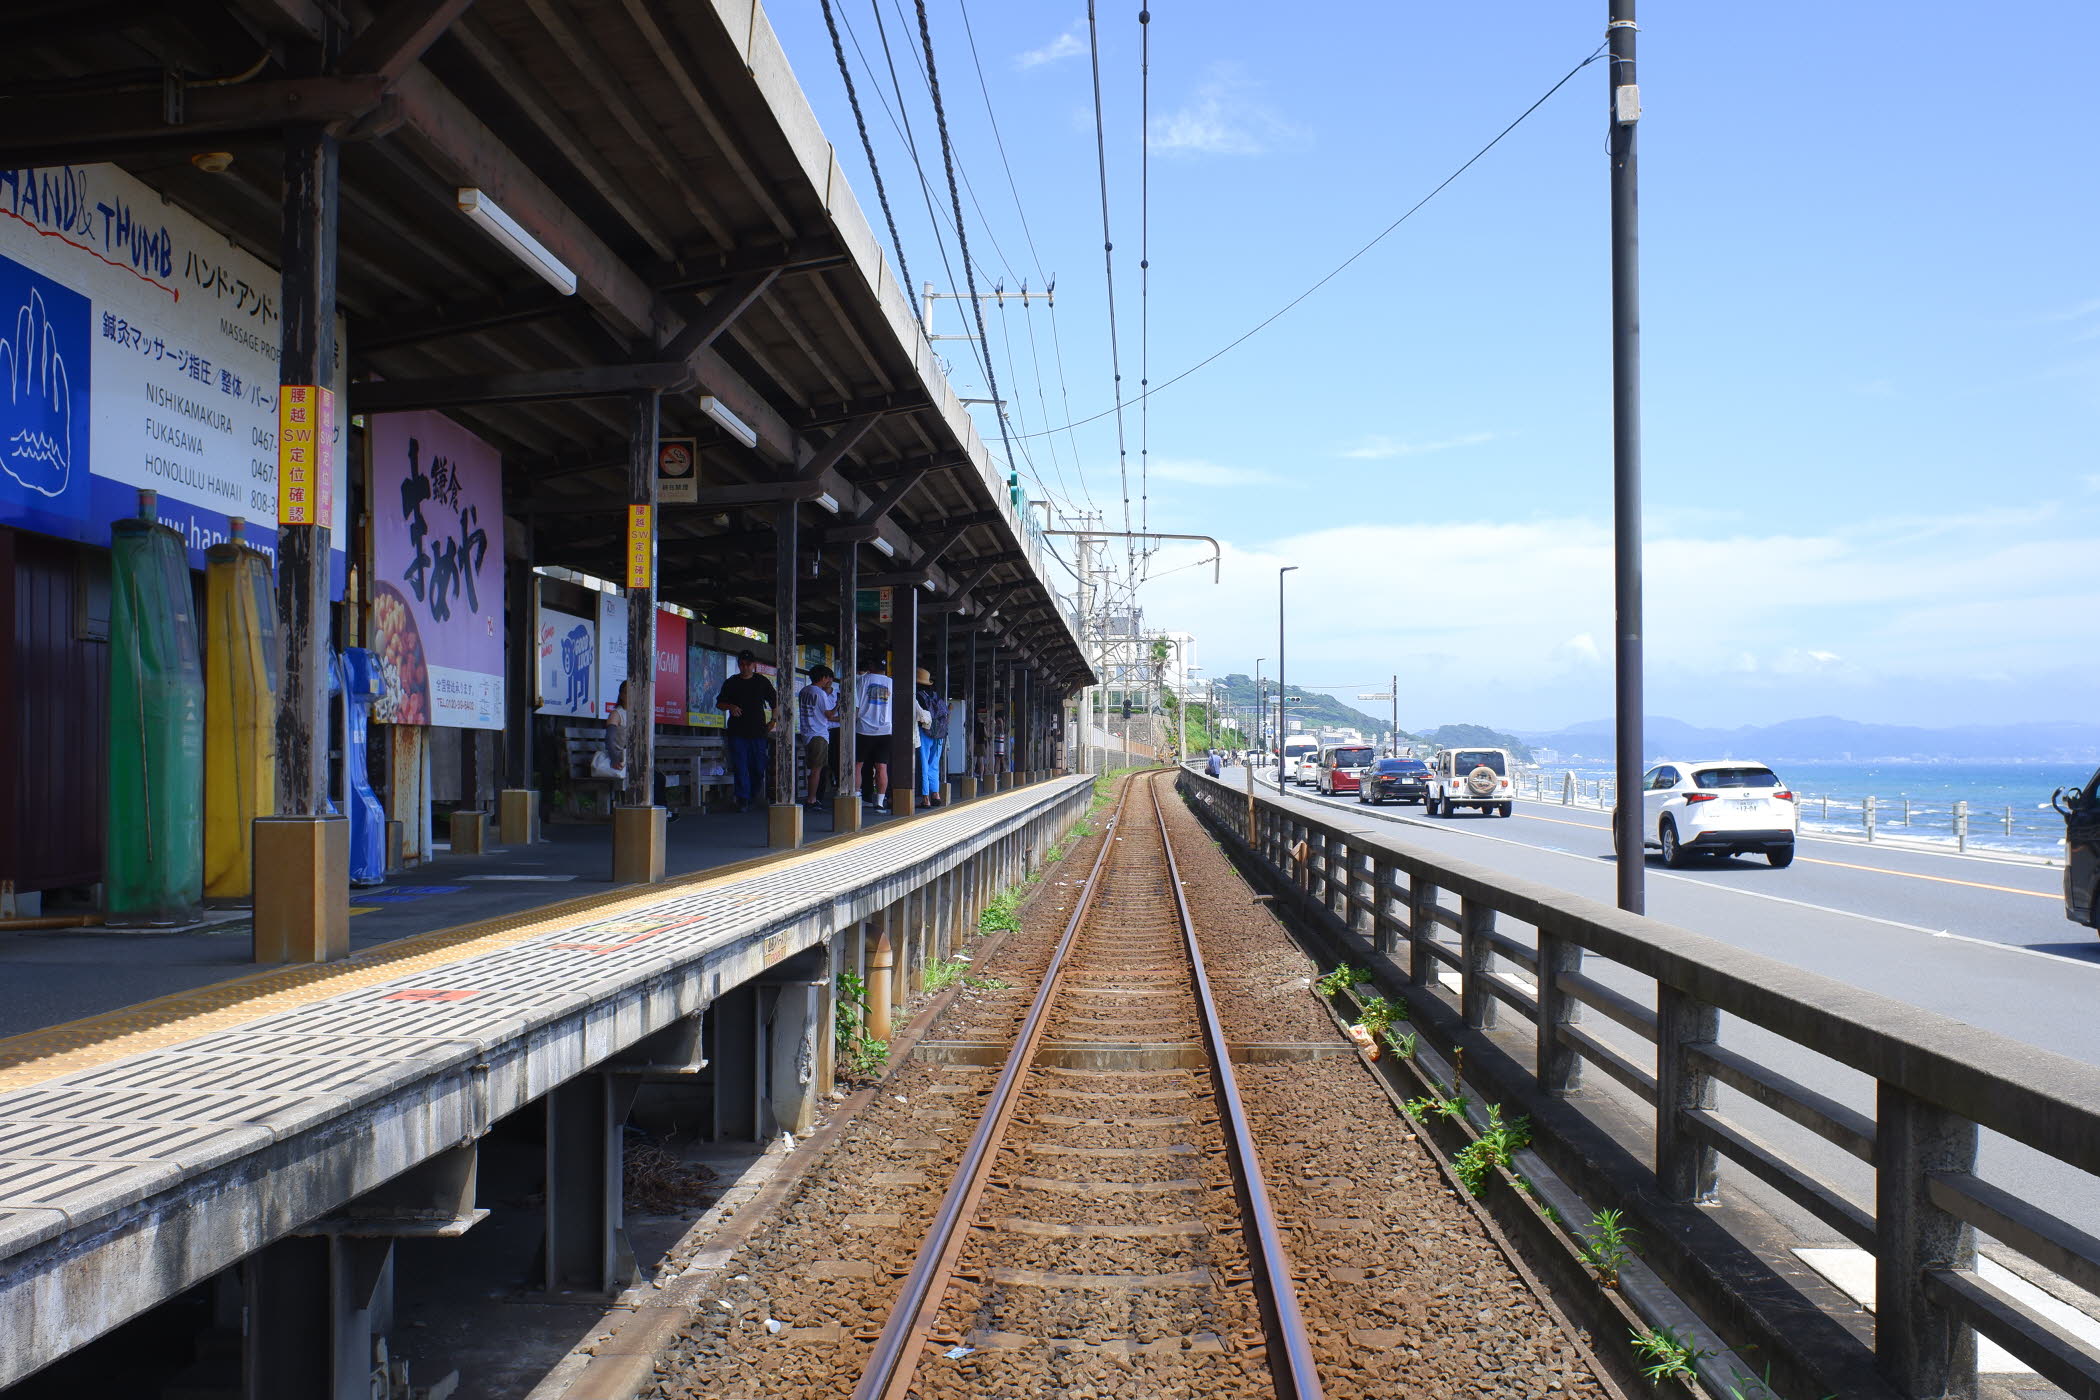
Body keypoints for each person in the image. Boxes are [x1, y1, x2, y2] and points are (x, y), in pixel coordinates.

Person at [714, 649, 776, 813]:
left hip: (758, 732)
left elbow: (775, 703)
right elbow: (719, 703)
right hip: (737, 732)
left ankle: (753, 795)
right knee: (740, 766)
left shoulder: (762, 682)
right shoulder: (731, 682)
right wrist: (730, 706)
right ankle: (742, 799)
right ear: (739, 665)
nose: (745, 667)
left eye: (748, 664)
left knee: (758, 767)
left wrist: (774, 720)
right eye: (742, 664)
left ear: (754, 665)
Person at [854, 656, 895, 810]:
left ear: (871, 664)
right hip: (885, 730)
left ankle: (856, 797)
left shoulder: (863, 680)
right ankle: (879, 802)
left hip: (863, 728)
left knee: (858, 764)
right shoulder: (891, 683)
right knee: (881, 767)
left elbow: (856, 706)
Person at [798, 664, 839, 808]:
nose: (829, 681)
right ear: (823, 677)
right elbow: (829, 714)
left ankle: (813, 797)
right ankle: (811, 799)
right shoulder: (819, 692)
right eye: (828, 678)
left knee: (813, 768)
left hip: (806, 733)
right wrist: (838, 705)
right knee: (817, 769)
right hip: (818, 734)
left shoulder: (804, 691)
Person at [914, 667, 949, 807]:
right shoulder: (936, 696)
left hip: (924, 732)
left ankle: (926, 799)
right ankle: (936, 794)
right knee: (934, 765)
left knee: (924, 765)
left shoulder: (917, 695)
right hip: (939, 734)